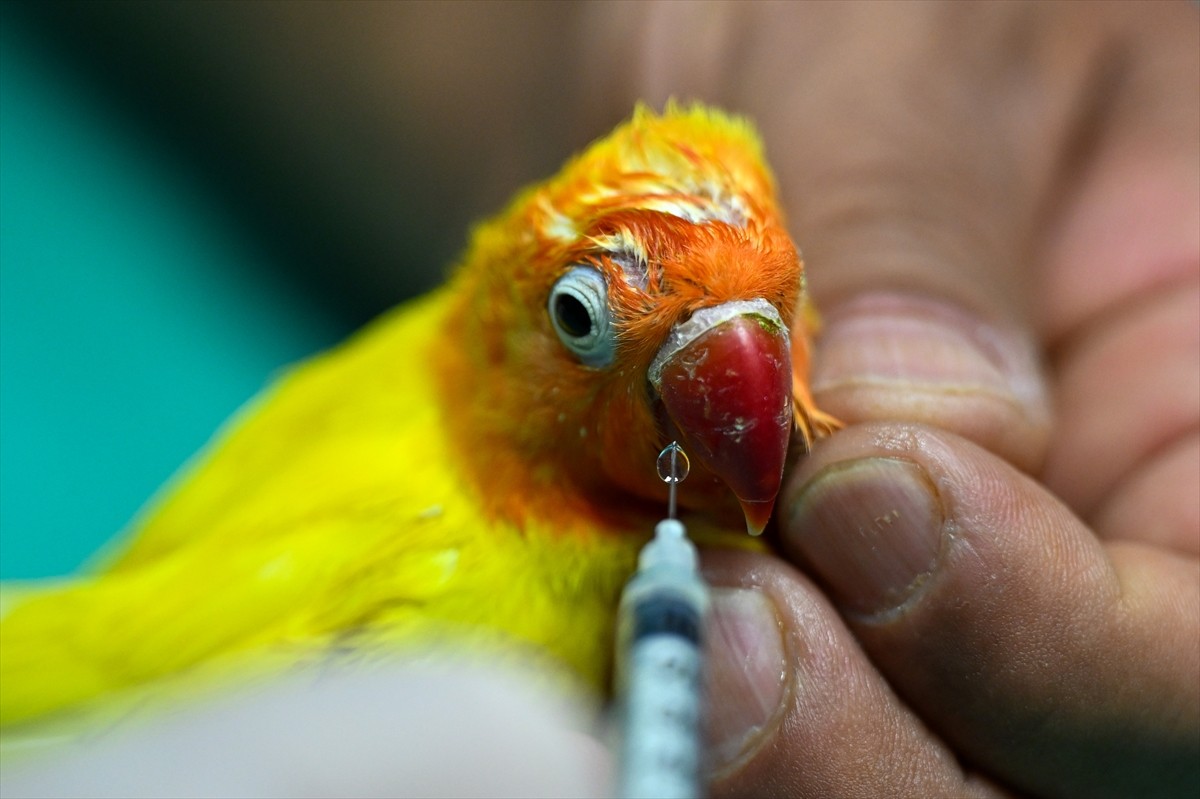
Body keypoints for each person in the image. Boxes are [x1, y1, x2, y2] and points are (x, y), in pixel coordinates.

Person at [2, 2, 1196, 797]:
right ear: (511, 323)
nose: (743, 387)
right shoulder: (498, 609)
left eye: (783, 306)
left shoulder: (437, 347)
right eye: (580, 320)